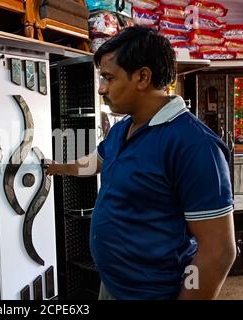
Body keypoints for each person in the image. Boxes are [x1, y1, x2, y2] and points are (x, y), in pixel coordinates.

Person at [46, 26, 236, 300]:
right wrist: (58, 168)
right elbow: (97, 162)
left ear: (143, 77)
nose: (101, 89)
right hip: (112, 284)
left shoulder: (195, 145)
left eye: (108, 78)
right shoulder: (122, 129)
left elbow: (218, 253)